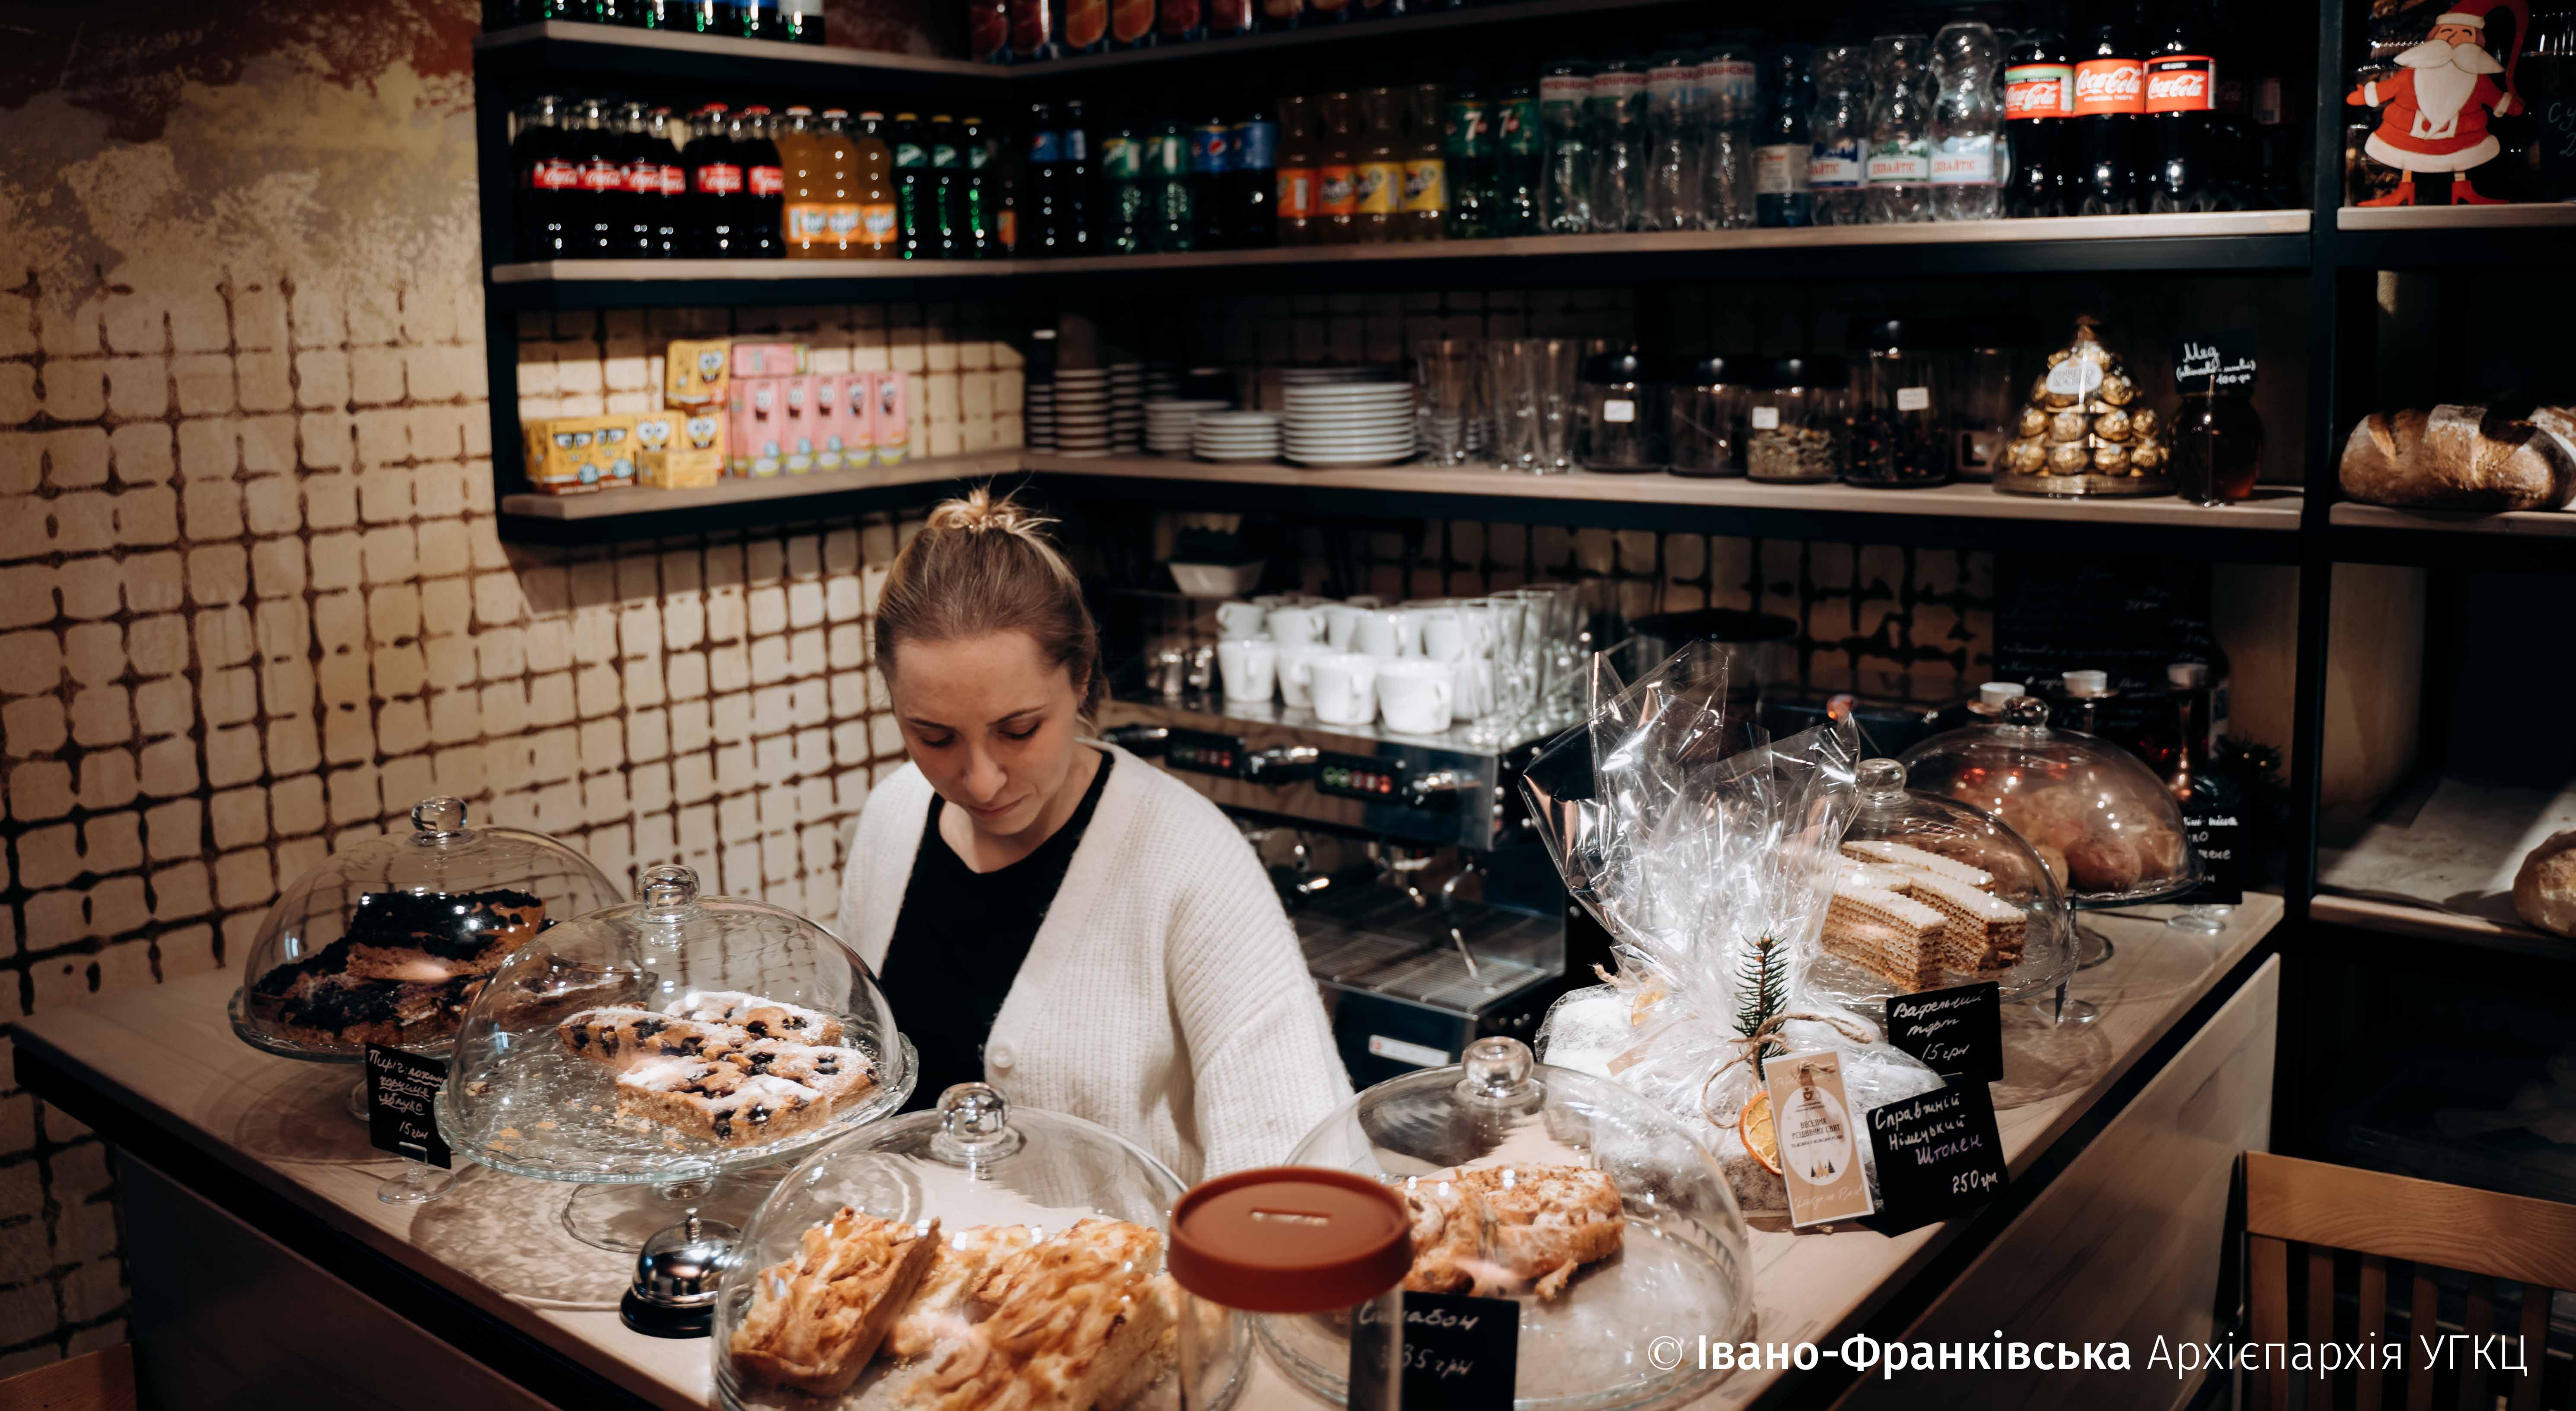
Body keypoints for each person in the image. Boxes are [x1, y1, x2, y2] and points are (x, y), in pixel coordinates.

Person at [836, 488, 1351, 1181]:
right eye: (934, 736)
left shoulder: (1190, 859)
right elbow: (857, 1082)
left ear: (1080, 678)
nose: (981, 780)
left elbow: (1295, 1157)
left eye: (1019, 730)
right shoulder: (894, 817)